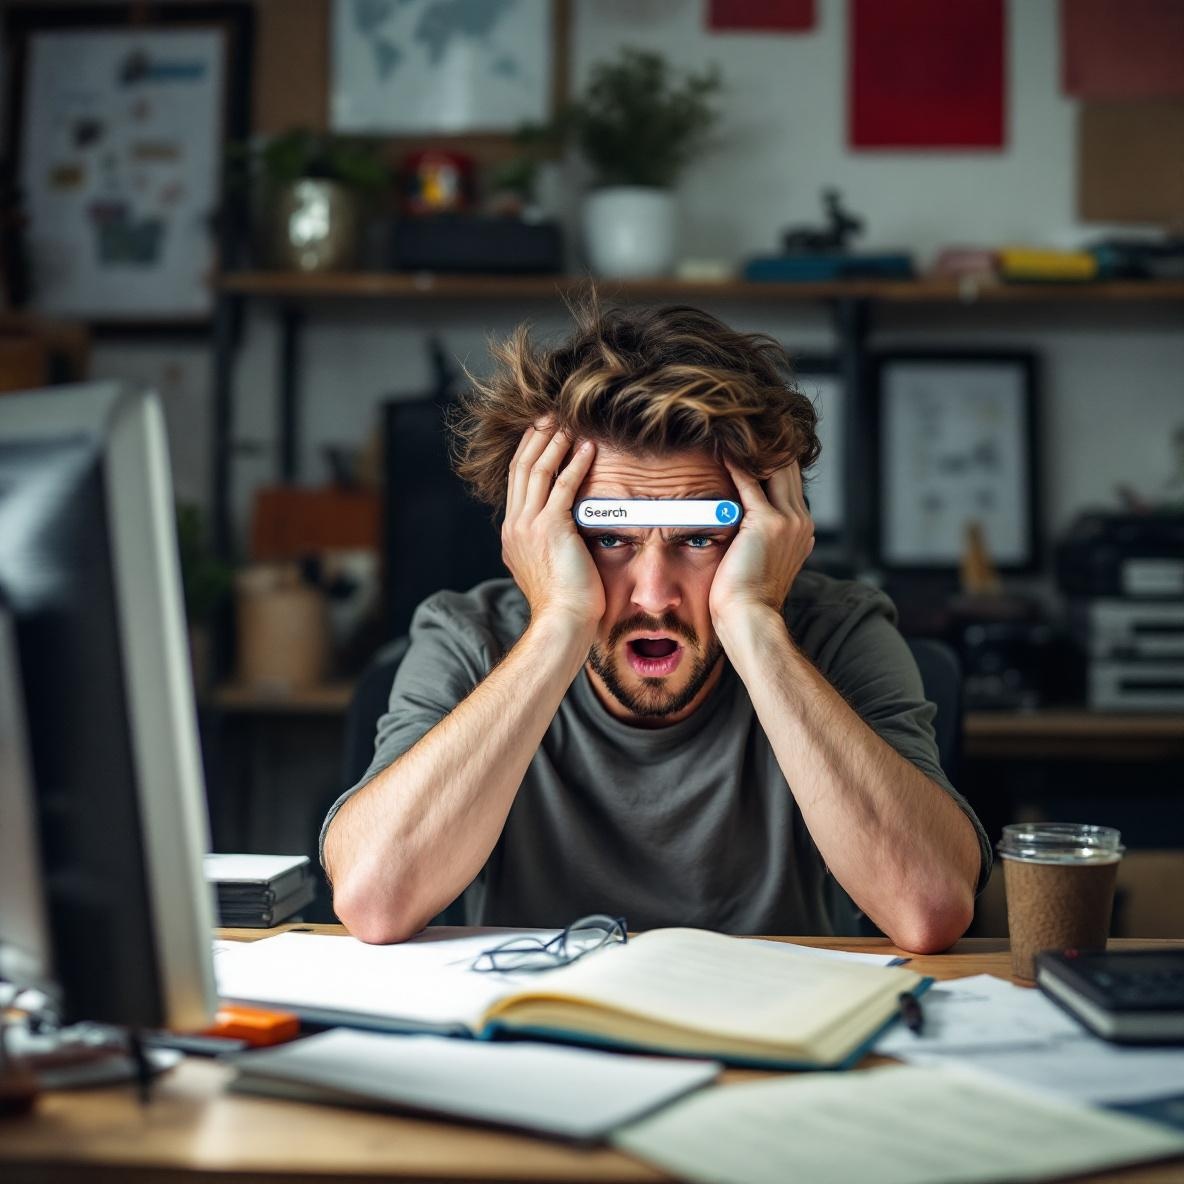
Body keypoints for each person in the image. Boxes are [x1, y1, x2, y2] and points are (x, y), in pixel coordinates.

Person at [321, 301, 990, 951]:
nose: (654, 596)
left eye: (699, 539)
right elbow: (377, 901)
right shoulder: (468, 637)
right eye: (609, 539)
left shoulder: (837, 632)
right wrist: (559, 622)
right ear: (536, 534)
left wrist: (753, 622)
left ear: (768, 532)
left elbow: (928, 909)